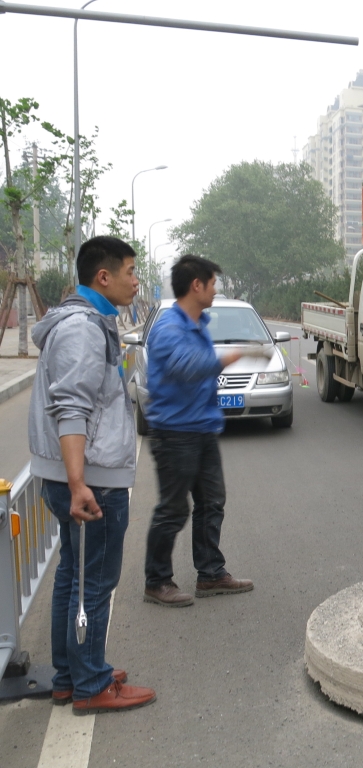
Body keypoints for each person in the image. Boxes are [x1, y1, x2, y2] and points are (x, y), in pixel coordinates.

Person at [29, 236, 156, 713]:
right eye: (130, 270)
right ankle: (90, 684)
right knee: (94, 581)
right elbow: (72, 407)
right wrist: (80, 483)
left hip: (79, 476)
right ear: (103, 277)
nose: (136, 279)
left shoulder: (88, 323)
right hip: (91, 481)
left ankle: (70, 675)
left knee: (73, 574)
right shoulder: (82, 329)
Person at [142, 255, 260, 607]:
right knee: (173, 509)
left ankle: (210, 574)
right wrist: (233, 356)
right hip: (174, 433)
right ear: (197, 285)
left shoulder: (196, 323)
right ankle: (157, 581)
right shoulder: (169, 328)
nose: (215, 289)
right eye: (213, 283)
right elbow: (185, 368)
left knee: (212, 502)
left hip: (202, 429)